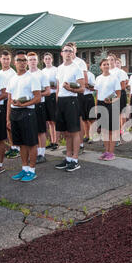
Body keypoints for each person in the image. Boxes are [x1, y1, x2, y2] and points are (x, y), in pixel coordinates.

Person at [6, 51, 41, 182]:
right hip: (15, 114)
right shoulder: (12, 79)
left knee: (31, 143)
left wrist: (24, 104)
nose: (22, 63)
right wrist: (8, 118)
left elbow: (38, 98)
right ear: (14, 63)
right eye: (19, 60)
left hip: (27, 113)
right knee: (21, 144)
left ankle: (32, 170)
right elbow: (9, 100)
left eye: (24, 60)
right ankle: (24, 168)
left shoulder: (32, 78)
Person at [54, 44, 85, 172]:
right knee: (66, 132)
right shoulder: (59, 68)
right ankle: (68, 158)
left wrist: (70, 89)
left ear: (73, 53)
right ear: (61, 53)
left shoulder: (76, 68)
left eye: (70, 51)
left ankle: (75, 159)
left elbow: (82, 88)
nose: (68, 53)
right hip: (61, 101)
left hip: (72, 101)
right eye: (65, 51)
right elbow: (57, 88)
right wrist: (57, 102)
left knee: (74, 131)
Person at [94, 59, 122, 160]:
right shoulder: (98, 78)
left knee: (111, 131)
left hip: (111, 105)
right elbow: (97, 95)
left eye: (107, 64)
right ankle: (106, 152)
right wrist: (96, 107)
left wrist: (111, 100)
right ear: (100, 67)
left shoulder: (114, 78)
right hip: (101, 104)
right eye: (104, 64)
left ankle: (111, 153)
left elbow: (118, 95)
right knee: (104, 131)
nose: (106, 66)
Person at [65, 42, 89, 154]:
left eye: (72, 49)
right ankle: (71, 147)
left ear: (75, 50)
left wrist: (72, 86)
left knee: (79, 119)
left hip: (77, 93)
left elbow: (85, 80)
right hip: (66, 95)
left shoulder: (80, 62)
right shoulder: (65, 63)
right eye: (68, 50)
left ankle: (80, 144)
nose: (70, 52)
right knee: (70, 121)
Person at [27, 52, 50, 164]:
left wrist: (37, 95)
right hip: (28, 106)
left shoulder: (42, 75)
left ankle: (42, 153)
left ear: (37, 61)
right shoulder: (25, 75)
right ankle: (34, 152)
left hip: (39, 105)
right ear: (27, 61)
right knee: (31, 130)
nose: (32, 61)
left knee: (41, 130)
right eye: (30, 59)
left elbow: (48, 91)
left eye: (34, 59)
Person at [0, 51, 19, 159]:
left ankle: (17, 147)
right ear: (0, 60)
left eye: (8, 59)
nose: (6, 61)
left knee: (12, 125)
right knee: (7, 126)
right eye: (4, 58)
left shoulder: (13, 73)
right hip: (1, 102)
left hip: (10, 101)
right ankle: (12, 146)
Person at [108, 54, 129, 145]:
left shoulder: (119, 72)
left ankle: (117, 138)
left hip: (118, 95)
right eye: (108, 60)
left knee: (118, 116)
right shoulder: (106, 71)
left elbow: (123, 86)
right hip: (108, 97)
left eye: (112, 59)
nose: (110, 61)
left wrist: (114, 94)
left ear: (114, 61)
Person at [42, 52, 59, 151]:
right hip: (45, 97)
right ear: (43, 60)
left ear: (52, 59)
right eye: (46, 59)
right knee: (49, 121)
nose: (47, 60)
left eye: (49, 58)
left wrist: (54, 87)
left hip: (53, 95)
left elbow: (58, 84)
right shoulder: (42, 71)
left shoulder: (55, 70)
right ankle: (52, 141)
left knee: (54, 120)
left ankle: (56, 142)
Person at [83, 63, 97, 144]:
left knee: (91, 118)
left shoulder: (90, 74)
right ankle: (86, 135)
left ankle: (92, 136)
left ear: (87, 66)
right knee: (84, 119)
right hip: (81, 97)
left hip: (88, 96)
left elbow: (94, 87)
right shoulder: (78, 74)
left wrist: (87, 86)